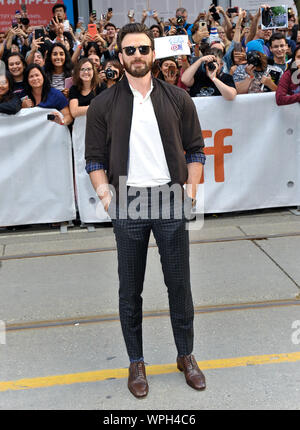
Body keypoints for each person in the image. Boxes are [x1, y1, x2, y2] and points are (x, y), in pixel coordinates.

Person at [85, 23, 206, 398]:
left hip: (170, 199)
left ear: (153, 54)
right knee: (130, 289)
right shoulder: (103, 104)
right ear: (120, 56)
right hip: (128, 202)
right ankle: (136, 361)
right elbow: (94, 161)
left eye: (143, 49)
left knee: (179, 285)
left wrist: (189, 195)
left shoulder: (178, 98)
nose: (137, 56)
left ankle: (185, 355)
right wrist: (109, 201)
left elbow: (197, 150)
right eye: (130, 50)